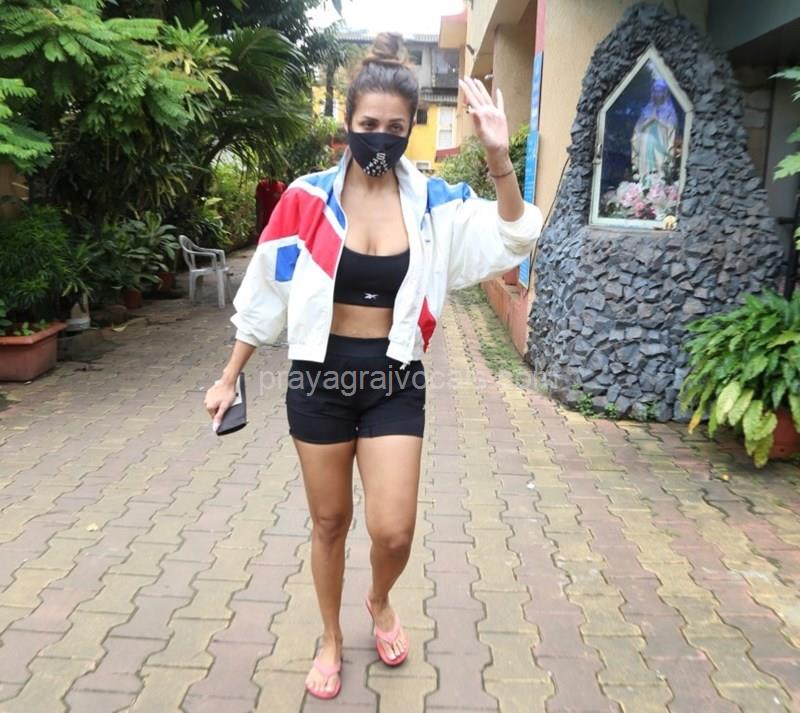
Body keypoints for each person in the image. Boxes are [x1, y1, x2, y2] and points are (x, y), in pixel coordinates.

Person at [204, 32, 542, 701]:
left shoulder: (434, 204)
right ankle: (330, 638)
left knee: (393, 530)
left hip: (393, 378)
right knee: (330, 521)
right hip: (320, 380)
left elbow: (514, 234)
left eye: (394, 127)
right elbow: (265, 293)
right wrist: (228, 375)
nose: (380, 139)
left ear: (411, 127)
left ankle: (379, 598)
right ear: (347, 123)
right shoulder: (306, 199)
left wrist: (499, 157)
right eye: (368, 126)